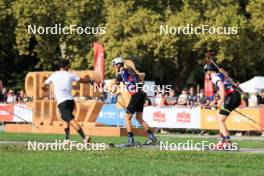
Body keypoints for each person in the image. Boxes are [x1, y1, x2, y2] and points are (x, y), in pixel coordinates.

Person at [42, 60, 93, 144]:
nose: (69, 67)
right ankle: (67, 139)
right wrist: (90, 81)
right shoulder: (70, 75)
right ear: (65, 66)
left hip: (62, 102)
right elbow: (82, 80)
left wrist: (46, 90)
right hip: (71, 101)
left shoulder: (54, 75)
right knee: (65, 119)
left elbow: (42, 86)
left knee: (70, 120)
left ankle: (85, 137)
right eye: (68, 66)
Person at [111, 57, 157, 146]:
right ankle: (152, 137)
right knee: (139, 118)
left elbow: (113, 89)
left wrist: (110, 90)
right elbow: (141, 82)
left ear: (118, 65)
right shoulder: (130, 71)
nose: (114, 68)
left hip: (136, 95)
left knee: (127, 118)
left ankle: (131, 141)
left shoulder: (120, 74)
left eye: (114, 66)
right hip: (142, 94)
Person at [204, 64, 241, 149]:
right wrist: (235, 85)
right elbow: (232, 84)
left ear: (208, 71)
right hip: (234, 96)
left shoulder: (214, 77)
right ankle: (222, 141)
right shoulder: (221, 75)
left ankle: (227, 142)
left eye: (205, 73)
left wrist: (222, 99)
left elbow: (221, 86)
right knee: (218, 117)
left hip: (231, 97)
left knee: (221, 119)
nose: (205, 75)